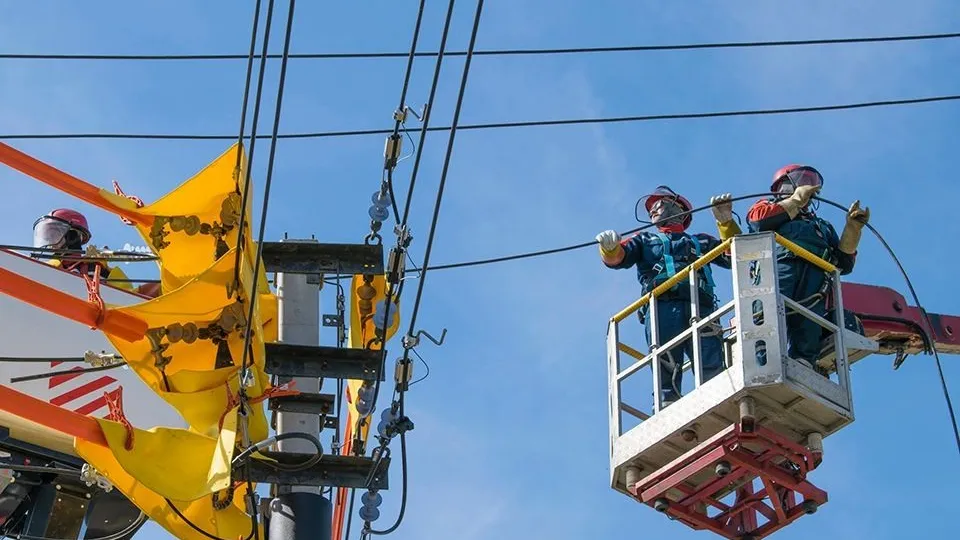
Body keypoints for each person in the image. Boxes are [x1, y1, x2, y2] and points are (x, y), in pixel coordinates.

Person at [710, 165, 869, 369]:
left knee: (809, 318)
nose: (807, 186)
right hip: (777, 266)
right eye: (801, 180)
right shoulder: (765, 207)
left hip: (815, 274)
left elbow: (843, 264)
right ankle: (763, 357)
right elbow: (759, 223)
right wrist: (794, 201)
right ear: (782, 186)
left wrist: (852, 230)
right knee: (768, 311)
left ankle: (803, 361)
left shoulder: (821, 226)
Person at [597, 186, 730, 408]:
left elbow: (735, 255)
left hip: (701, 305)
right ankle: (668, 402)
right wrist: (609, 249)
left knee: (709, 355)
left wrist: (726, 224)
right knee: (665, 358)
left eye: (658, 204)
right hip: (662, 307)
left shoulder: (702, 242)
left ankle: (718, 397)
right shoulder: (645, 240)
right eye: (650, 209)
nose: (652, 211)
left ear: (678, 208)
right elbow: (620, 257)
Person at [32, 208, 161, 298]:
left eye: (55, 234)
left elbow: (129, 300)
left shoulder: (103, 272)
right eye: (48, 235)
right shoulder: (47, 270)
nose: (49, 240)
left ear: (73, 235)